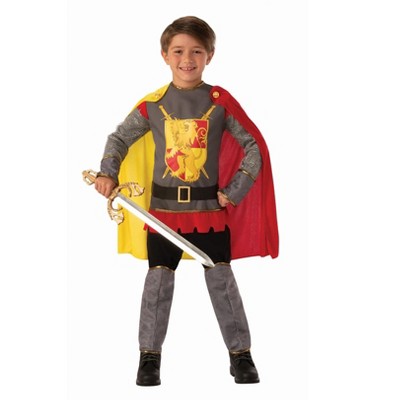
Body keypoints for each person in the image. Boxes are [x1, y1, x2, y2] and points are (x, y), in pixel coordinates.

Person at [94, 16, 279, 386]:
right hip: (163, 214)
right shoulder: (153, 106)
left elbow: (253, 147)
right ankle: (149, 358)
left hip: (209, 212)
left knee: (222, 282)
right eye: (178, 51)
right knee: (158, 285)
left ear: (210, 55)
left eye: (196, 51)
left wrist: (234, 192)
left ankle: (240, 356)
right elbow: (119, 139)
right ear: (165, 55)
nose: (187, 59)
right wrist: (107, 172)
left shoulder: (220, 103)